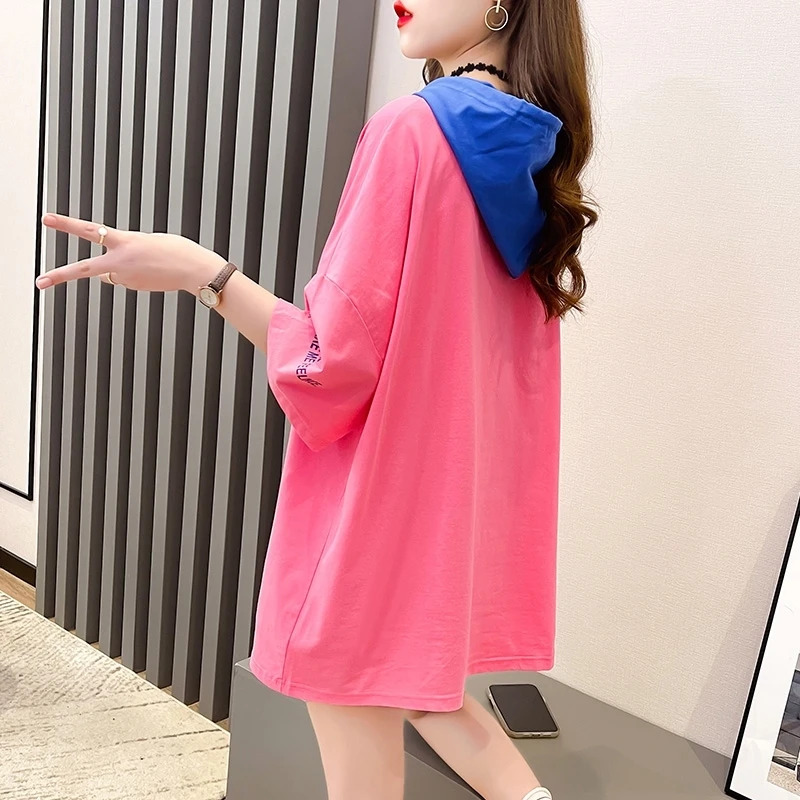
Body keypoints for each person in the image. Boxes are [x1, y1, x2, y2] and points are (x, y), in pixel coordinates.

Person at [36, 0, 598, 797]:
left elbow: (329, 361)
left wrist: (200, 272)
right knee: (428, 697)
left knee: (366, 725)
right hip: (448, 523)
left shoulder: (412, 132)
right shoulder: (534, 157)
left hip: (370, 521)